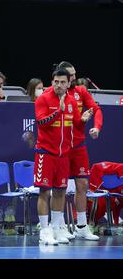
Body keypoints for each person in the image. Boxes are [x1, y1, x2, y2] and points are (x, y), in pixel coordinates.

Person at [34, 67, 93, 245]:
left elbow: (74, 124)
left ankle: (57, 228)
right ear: (52, 81)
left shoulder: (71, 101)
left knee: (60, 191)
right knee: (45, 191)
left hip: (64, 155)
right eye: (56, 82)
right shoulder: (43, 98)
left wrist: (82, 120)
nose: (59, 85)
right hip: (46, 152)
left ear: (69, 84)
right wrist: (57, 112)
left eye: (63, 82)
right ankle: (44, 231)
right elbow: (41, 122)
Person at [51, 61, 103, 241]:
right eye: (70, 75)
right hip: (61, 148)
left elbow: (96, 110)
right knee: (60, 187)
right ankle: (58, 227)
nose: (73, 78)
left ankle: (81, 226)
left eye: (74, 75)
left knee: (82, 185)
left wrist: (96, 127)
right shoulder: (56, 92)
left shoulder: (81, 91)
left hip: (79, 147)